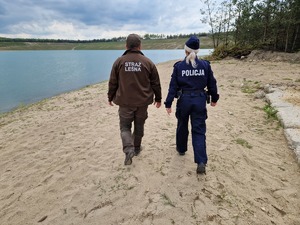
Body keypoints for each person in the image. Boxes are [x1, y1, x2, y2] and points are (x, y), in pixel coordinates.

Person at [164, 36, 219, 174]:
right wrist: (214, 98)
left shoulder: (179, 66)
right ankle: (201, 161)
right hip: (200, 101)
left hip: (184, 101)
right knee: (199, 130)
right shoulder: (205, 65)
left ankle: (181, 149)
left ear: (186, 51)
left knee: (182, 125)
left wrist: (168, 103)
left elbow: (173, 86)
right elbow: (212, 83)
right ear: (197, 51)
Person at [107, 34, 162, 166]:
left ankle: (128, 149)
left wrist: (110, 97)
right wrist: (158, 98)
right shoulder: (148, 62)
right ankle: (136, 149)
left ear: (126, 46)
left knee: (125, 127)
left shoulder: (119, 62)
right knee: (139, 126)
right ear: (139, 46)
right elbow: (156, 83)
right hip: (142, 102)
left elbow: (113, 82)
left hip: (125, 102)